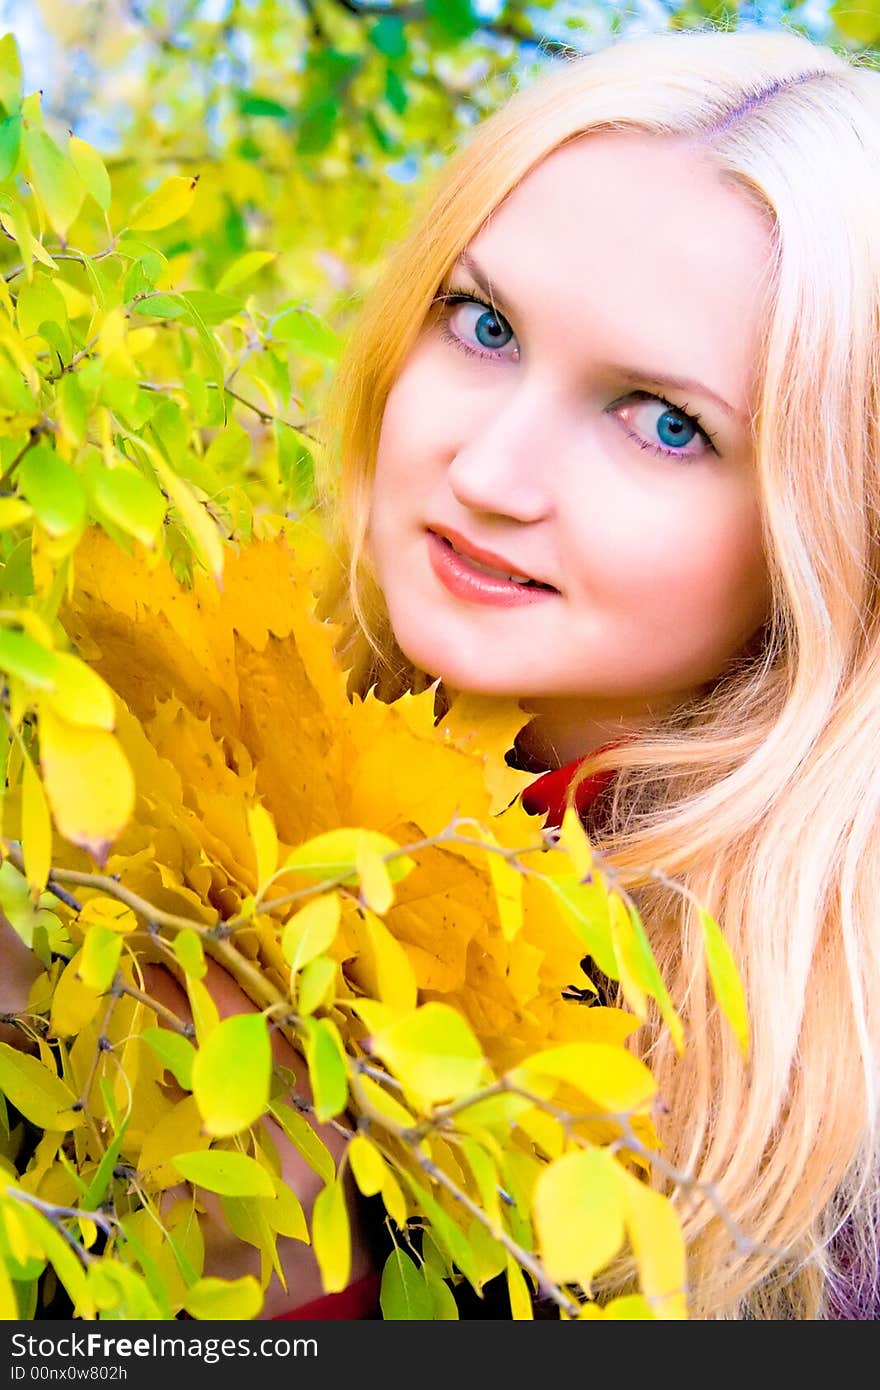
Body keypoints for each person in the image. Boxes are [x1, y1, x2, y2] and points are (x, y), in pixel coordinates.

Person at [308, 22, 880, 1319]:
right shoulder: (182, 783)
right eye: (485, 324)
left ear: (835, 532)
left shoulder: (817, 1142)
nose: (490, 474)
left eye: (667, 423)